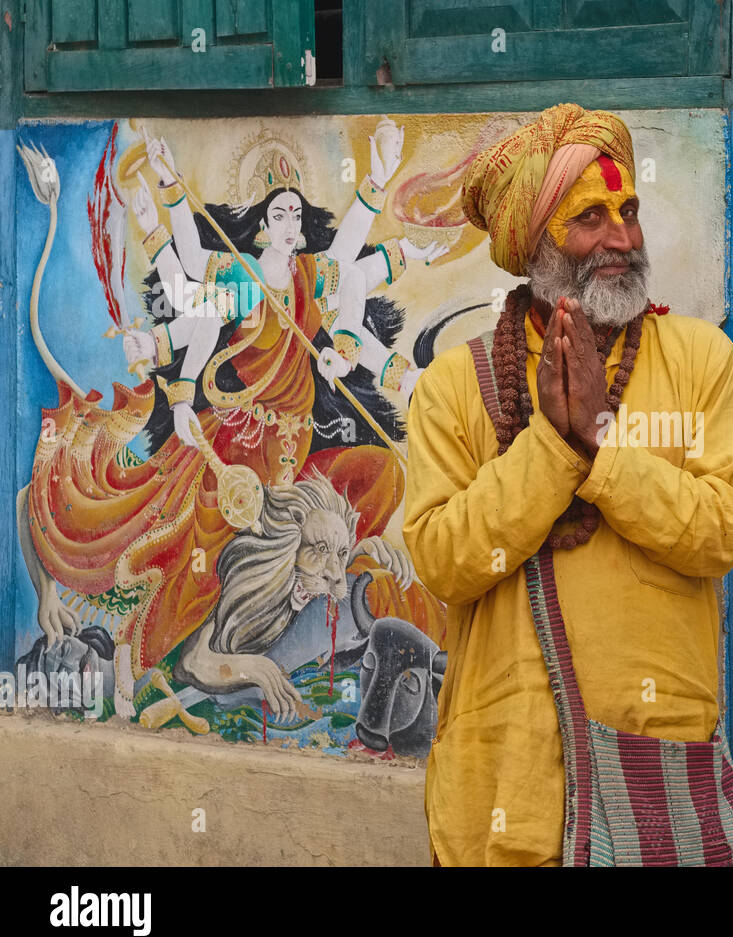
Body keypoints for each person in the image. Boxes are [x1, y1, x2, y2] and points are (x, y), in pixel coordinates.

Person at [403, 103, 733, 866]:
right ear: (536, 245)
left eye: (628, 211)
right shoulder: (454, 387)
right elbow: (442, 560)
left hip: (653, 761)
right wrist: (554, 446)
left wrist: (600, 449)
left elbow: (721, 529)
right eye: (590, 218)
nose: (622, 239)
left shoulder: (701, 361)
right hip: (509, 776)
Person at [24, 122, 444, 716]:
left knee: (378, 474)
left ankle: (331, 571)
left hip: (293, 455)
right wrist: (168, 194)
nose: (291, 222)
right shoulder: (245, 285)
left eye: (298, 213)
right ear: (264, 225)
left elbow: (354, 261)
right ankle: (146, 649)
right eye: (280, 213)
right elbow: (188, 282)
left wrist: (378, 181)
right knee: (206, 559)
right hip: (241, 452)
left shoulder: (310, 279)